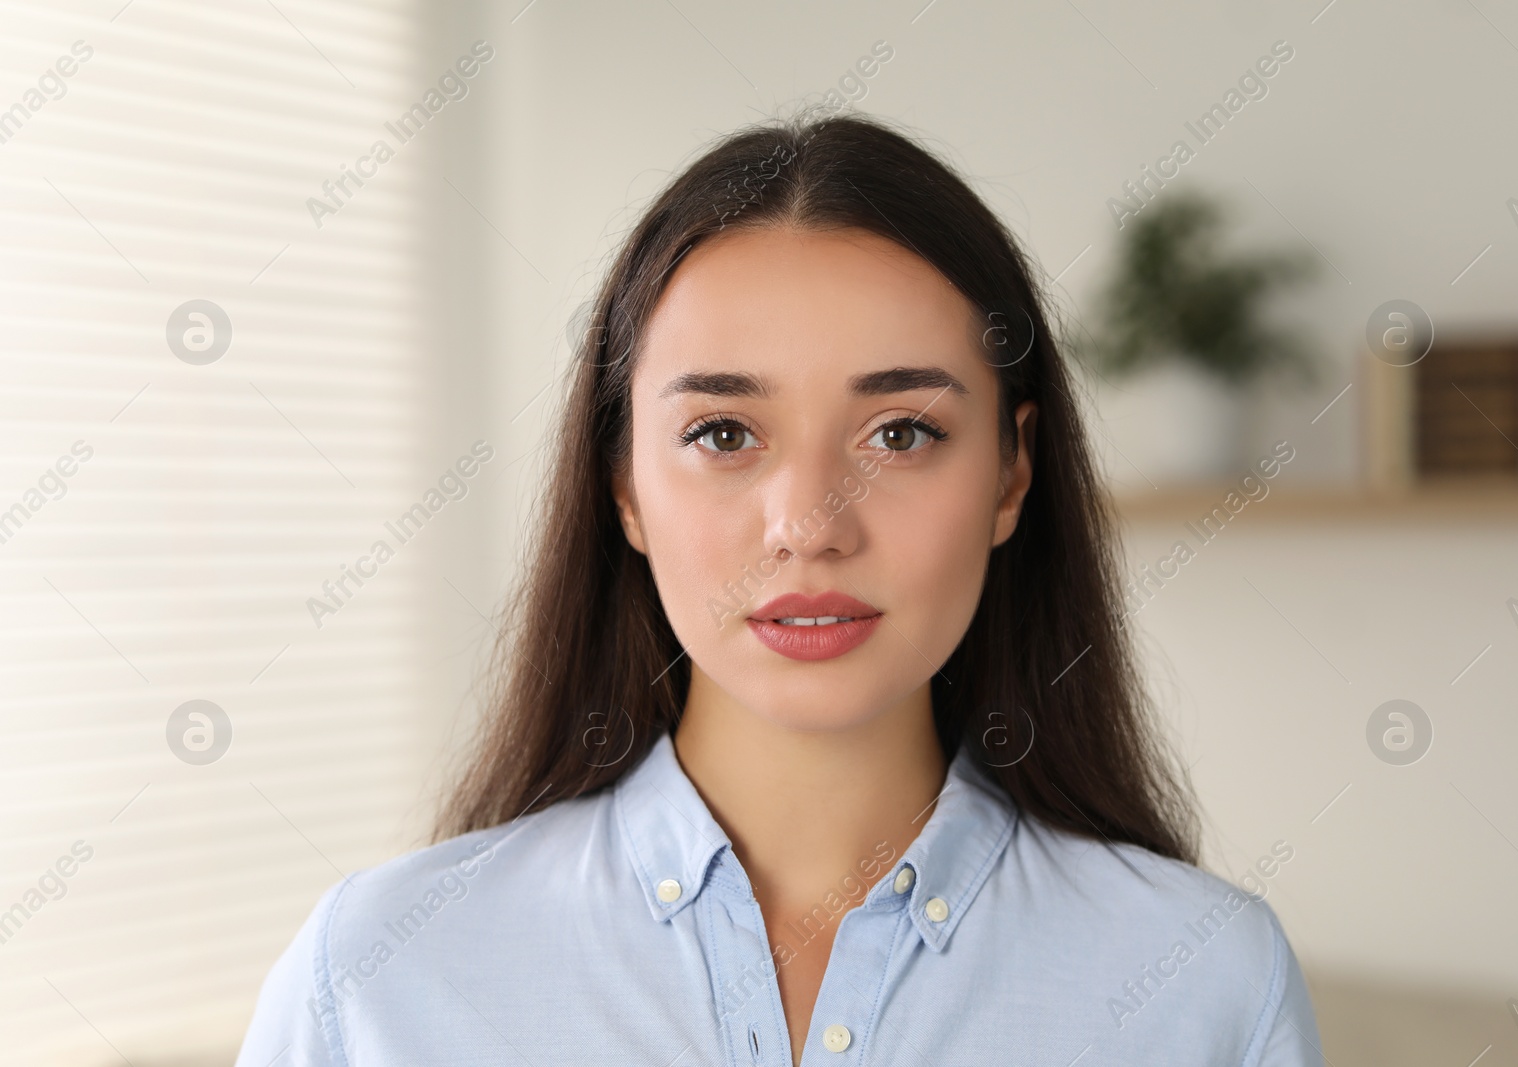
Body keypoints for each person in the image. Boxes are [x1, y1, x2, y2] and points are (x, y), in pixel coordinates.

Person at [235, 110, 1322, 1066]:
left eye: (901, 432)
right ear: (622, 483)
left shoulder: (1203, 981)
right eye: (722, 432)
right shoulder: (376, 979)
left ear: (1010, 473)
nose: (808, 526)